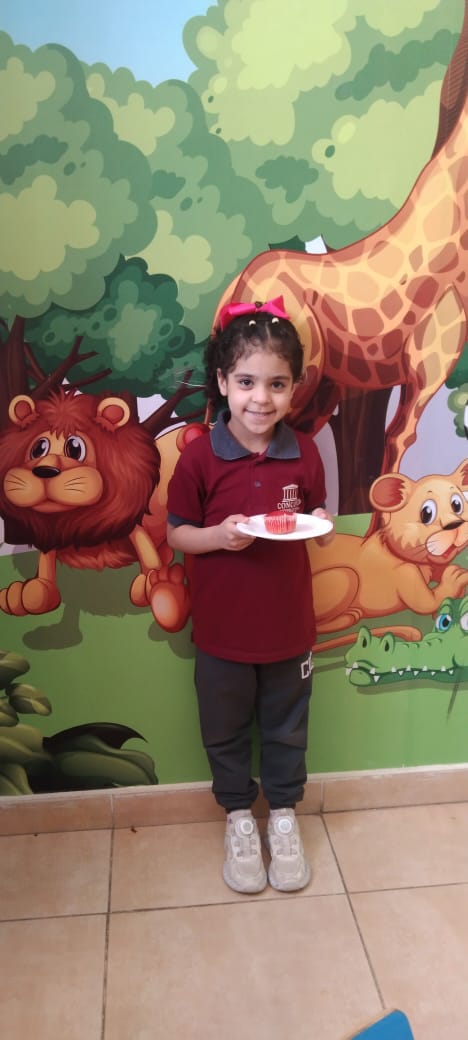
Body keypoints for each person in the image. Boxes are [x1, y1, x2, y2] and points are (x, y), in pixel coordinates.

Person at [166, 296, 334, 895]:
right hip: (222, 635)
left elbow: (315, 514)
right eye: (245, 382)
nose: (260, 398)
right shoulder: (199, 457)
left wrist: (321, 523)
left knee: (288, 729)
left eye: (276, 384)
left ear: (294, 388)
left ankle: (283, 817)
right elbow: (177, 533)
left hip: (289, 630)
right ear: (222, 382)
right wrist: (219, 536)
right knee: (225, 729)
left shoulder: (304, 452)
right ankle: (239, 817)